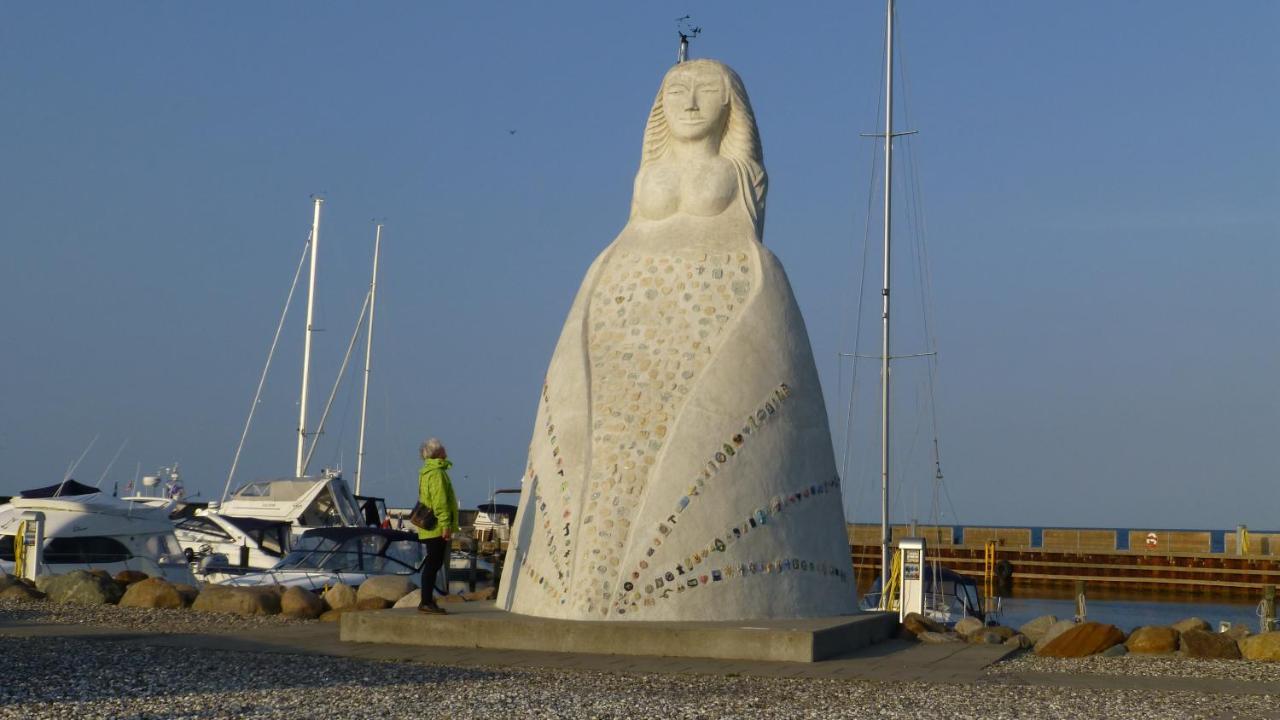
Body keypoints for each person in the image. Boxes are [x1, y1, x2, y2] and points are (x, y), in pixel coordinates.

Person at [416, 437, 459, 614]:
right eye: (443, 447)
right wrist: (446, 525)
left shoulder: (426, 472)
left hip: (429, 526)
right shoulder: (437, 473)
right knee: (434, 563)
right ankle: (426, 601)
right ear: (437, 453)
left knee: (433, 563)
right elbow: (439, 501)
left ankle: (426, 600)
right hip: (436, 527)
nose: (446, 449)